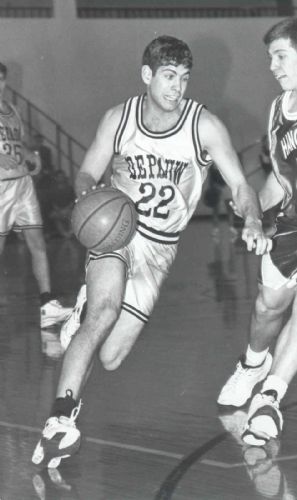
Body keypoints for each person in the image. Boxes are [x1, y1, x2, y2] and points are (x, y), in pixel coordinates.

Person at [32, 35, 270, 468]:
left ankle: (82, 314)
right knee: (102, 311)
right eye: (168, 77)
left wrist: (251, 217)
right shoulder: (118, 120)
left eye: (183, 78)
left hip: (160, 249)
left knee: (110, 356)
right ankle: (59, 422)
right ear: (147, 75)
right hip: (116, 232)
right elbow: (85, 173)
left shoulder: (203, 125)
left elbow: (240, 185)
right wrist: (92, 199)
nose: (177, 87)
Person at [217, 18, 297, 446]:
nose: (272, 65)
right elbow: (281, 181)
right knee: (269, 307)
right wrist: (254, 218)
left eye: (281, 55)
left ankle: (269, 397)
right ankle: (253, 366)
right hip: (292, 221)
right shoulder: (278, 110)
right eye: (270, 57)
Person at [0, 62, 71, 328]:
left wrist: (32, 156)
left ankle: (47, 304)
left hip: (23, 185)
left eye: (1, 80)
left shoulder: (13, 110)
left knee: (38, 244)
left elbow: (20, 143)